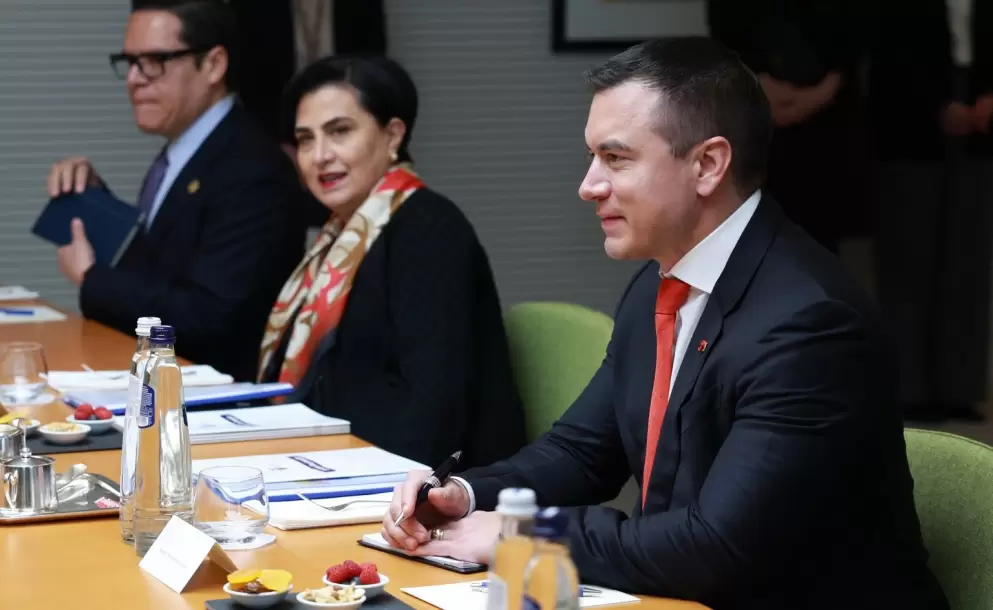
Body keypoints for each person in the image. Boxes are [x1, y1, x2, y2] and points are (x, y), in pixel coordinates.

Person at [381, 38, 948, 610]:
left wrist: (525, 533)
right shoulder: (659, 283)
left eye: (616, 158)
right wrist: (466, 494)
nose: (588, 185)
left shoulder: (809, 323)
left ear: (708, 165)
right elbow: (583, 451)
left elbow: (716, 547)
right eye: (592, 156)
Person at [257, 55, 526, 469]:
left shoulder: (429, 229)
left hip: (426, 482)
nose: (320, 155)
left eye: (340, 131)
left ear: (392, 134)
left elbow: (432, 411)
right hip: (335, 458)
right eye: (306, 139)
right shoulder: (338, 236)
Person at [49, 0, 306, 381]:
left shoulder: (252, 166)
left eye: (155, 61)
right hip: (163, 384)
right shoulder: (184, 152)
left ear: (214, 64)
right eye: (130, 61)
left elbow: (210, 316)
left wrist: (92, 276)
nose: (134, 79)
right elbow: (165, 261)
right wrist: (94, 200)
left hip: (215, 399)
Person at [869, 0, 993, 422]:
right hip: (910, 131)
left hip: (978, 129)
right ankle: (910, 388)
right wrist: (935, 108)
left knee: (967, 258)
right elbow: (887, 55)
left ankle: (959, 387)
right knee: (910, 257)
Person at [708, 0, 869, 254]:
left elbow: (856, 29)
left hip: (829, 120)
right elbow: (725, 29)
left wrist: (822, 91)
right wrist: (754, 83)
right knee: (756, 231)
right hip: (753, 117)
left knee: (822, 235)